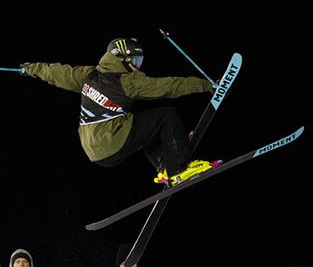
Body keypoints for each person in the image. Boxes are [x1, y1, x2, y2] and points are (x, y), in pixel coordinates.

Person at [22, 38, 215, 184]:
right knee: (167, 116)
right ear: (124, 58)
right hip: (112, 140)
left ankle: (164, 164)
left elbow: (57, 73)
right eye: (137, 61)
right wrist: (207, 85)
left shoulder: (89, 75)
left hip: (94, 150)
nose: (138, 67)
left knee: (141, 127)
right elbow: (170, 86)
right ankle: (179, 169)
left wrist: (33, 69)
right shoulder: (128, 81)